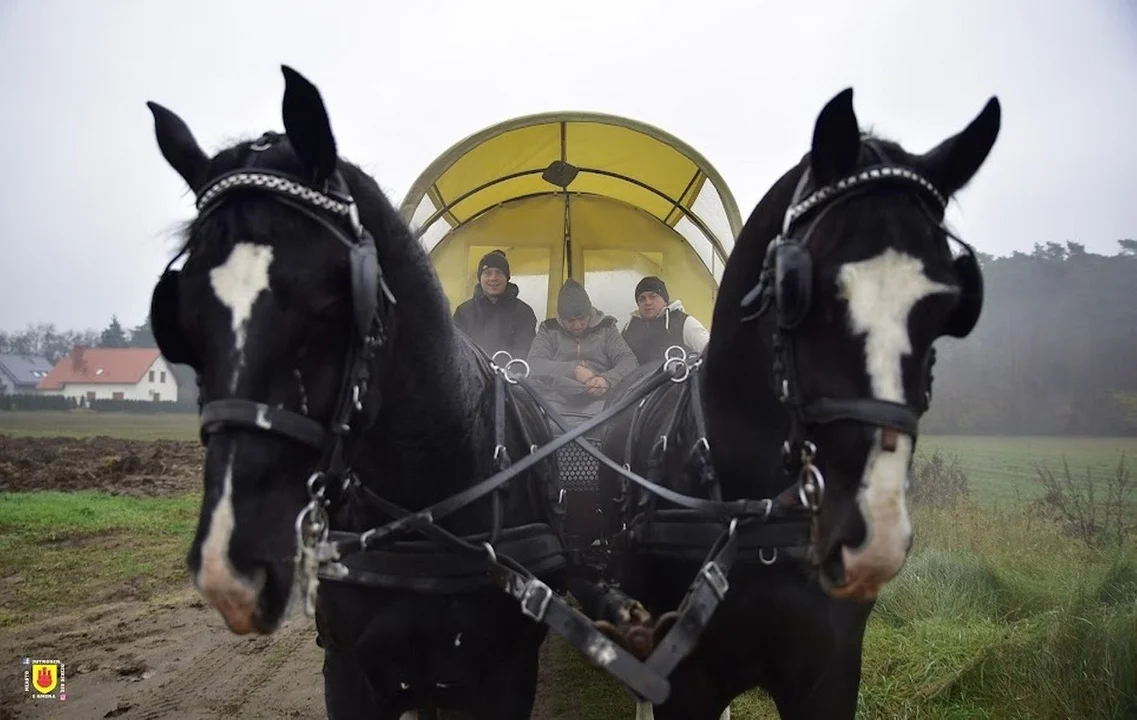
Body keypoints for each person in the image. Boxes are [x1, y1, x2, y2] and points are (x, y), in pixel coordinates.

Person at [527, 279, 638, 422]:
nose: (577, 325)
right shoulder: (549, 329)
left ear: (589, 314)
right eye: (570, 321)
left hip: (601, 400)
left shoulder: (607, 327)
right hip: (556, 400)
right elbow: (534, 363)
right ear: (561, 318)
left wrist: (606, 380)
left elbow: (629, 361)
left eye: (582, 319)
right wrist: (573, 370)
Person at [452, 249, 538, 360]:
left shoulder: (523, 312)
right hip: (474, 375)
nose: (493, 278)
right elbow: (456, 350)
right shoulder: (463, 312)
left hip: (511, 375)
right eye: (487, 273)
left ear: (507, 277)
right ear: (480, 278)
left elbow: (525, 351)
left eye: (499, 272)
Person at [621, 275, 710, 365]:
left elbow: (712, 351)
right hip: (636, 378)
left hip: (676, 377)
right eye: (642, 298)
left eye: (653, 297)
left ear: (665, 301)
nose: (647, 302)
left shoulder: (684, 323)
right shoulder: (629, 328)